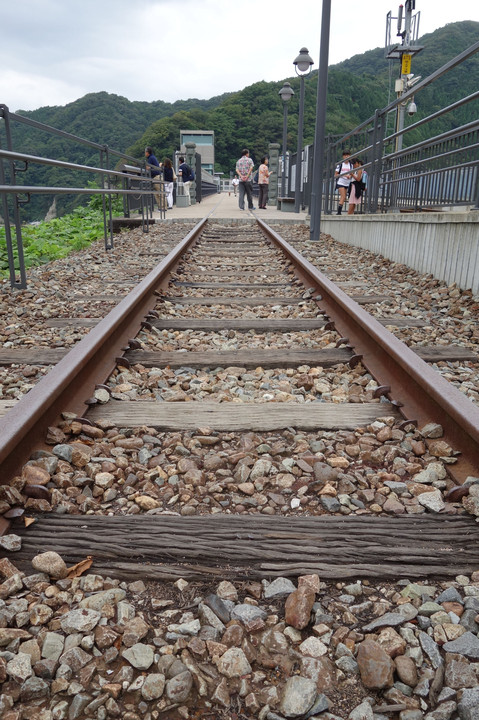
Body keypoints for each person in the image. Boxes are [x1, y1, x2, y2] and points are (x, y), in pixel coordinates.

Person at [334, 149, 352, 215]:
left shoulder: (351, 165)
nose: (346, 157)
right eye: (345, 155)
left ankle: (339, 211)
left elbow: (352, 173)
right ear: (343, 156)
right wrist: (344, 175)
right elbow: (336, 174)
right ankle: (339, 212)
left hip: (347, 183)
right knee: (343, 196)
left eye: (348, 155)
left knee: (344, 197)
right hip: (340, 182)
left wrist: (350, 176)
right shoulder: (340, 165)